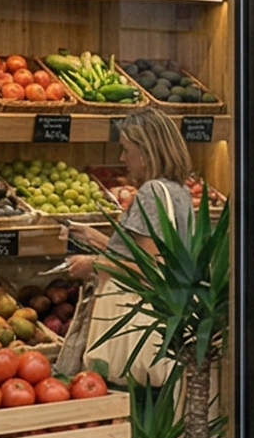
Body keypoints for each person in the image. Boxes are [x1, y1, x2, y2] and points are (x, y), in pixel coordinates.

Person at [64, 107, 199, 381]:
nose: (122, 158)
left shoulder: (150, 193)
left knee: (129, 395)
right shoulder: (179, 191)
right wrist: (99, 240)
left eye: (127, 149)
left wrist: (93, 264)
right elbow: (157, 252)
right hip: (175, 314)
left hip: (136, 322)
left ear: (147, 151)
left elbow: (150, 269)